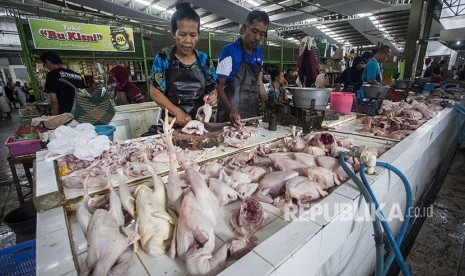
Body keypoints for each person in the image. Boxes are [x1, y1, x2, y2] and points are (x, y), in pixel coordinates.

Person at [149, 2, 217, 127]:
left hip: (199, 122)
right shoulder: (164, 56)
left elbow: (212, 88)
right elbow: (154, 92)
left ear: (198, 36)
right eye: (182, 34)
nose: (187, 41)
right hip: (170, 123)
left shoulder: (204, 59)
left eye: (193, 35)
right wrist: (177, 112)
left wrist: (212, 96)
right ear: (173, 33)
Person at [216, 10, 269, 126]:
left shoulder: (259, 53)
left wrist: (268, 100)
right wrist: (231, 111)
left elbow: (258, 81)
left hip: (251, 113)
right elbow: (218, 87)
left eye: (262, 34)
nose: (257, 37)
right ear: (245, 28)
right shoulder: (229, 52)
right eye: (254, 31)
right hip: (229, 115)